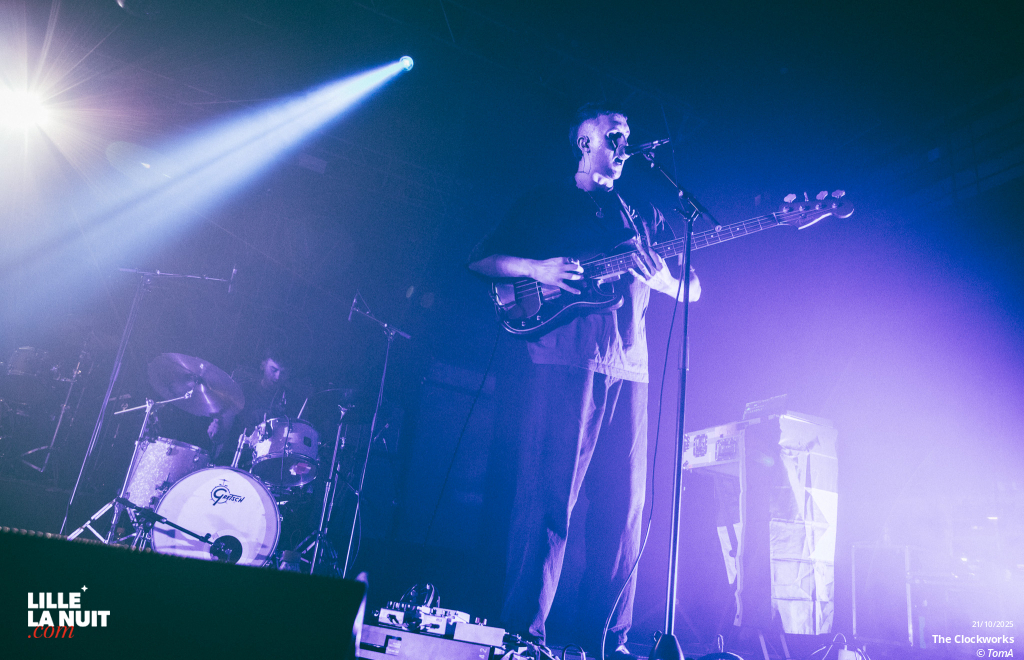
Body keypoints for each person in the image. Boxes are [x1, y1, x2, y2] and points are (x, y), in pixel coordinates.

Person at [468, 103, 701, 659]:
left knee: (625, 512)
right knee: (548, 505)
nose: (626, 144)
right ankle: (524, 638)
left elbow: (692, 288)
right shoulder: (545, 201)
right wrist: (537, 269)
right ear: (584, 142)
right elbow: (483, 262)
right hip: (564, 361)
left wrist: (667, 280)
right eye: (616, 135)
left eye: (627, 137)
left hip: (633, 369)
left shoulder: (642, 213)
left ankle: (610, 643)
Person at [207, 349, 290, 466]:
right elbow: (221, 435)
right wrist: (217, 430)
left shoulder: (286, 400)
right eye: (274, 370)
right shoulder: (242, 390)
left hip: (262, 463)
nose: (278, 377)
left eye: (283, 373)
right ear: (263, 365)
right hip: (230, 456)